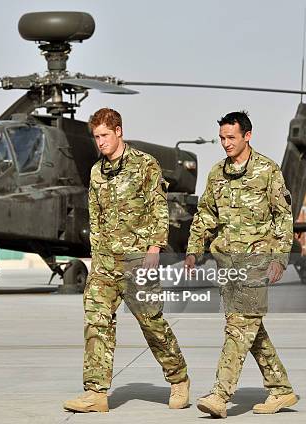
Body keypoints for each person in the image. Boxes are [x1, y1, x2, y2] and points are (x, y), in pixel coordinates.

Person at [63, 108, 190, 413]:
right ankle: (96, 392)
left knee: (152, 324)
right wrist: (96, 257)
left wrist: (155, 248)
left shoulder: (146, 165)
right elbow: (96, 218)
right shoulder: (96, 172)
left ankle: (179, 379)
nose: (100, 142)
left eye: (105, 135)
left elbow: (160, 209)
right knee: (97, 322)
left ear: (119, 132)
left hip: (138, 262)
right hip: (105, 263)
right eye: (96, 137)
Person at [185, 111, 298, 418]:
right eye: (222, 138)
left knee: (238, 328)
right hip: (227, 264)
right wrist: (194, 249)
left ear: (247, 135)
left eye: (231, 137)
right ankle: (282, 389)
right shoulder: (216, 173)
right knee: (250, 328)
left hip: (256, 262)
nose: (225, 143)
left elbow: (283, 217)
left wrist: (280, 257)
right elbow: (205, 214)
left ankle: (220, 395)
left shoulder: (267, 170)